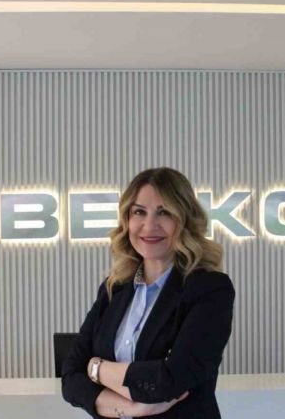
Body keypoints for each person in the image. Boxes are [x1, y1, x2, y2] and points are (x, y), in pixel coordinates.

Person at [61, 167, 235, 418]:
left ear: (184, 219)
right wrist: (132, 408)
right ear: (127, 220)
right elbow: (70, 378)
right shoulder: (114, 288)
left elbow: (169, 381)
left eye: (164, 212)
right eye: (139, 212)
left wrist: (96, 369)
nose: (149, 225)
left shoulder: (210, 289)